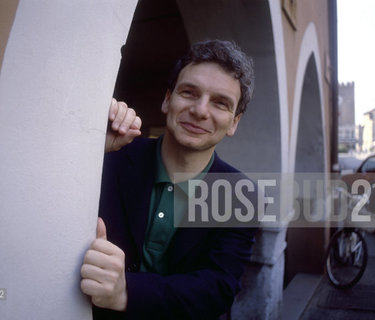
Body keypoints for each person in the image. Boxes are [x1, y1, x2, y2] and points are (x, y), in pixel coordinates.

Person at [80, 40, 257, 319]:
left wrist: (127, 292)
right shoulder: (112, 155)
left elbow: (219, 288)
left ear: (234, 122)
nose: (200, 110)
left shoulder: (241, 195)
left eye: (220, 103)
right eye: (189, 92)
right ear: (167, 100)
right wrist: (89, 149)